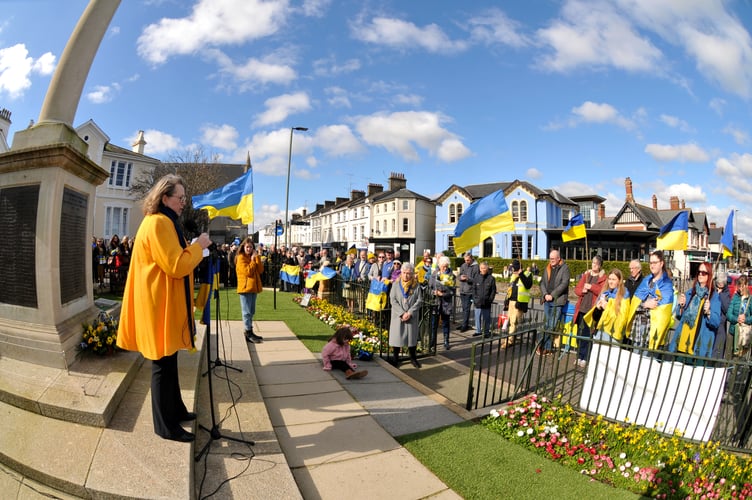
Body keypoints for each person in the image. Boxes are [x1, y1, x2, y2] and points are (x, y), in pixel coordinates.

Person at [116, 174, 212, 442]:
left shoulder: (163, 222)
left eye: (184, 198)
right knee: (161, 365)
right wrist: (199, 247)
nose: (183, 203)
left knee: (169, 362)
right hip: (157, 305)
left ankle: (177, 410)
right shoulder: (159, 223)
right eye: (180, 198)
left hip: (162, 302)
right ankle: (164, 425)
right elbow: (176, 265)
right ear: (164, 198)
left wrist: (192, 248)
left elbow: (173, 259)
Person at [669, 262, 720, 359]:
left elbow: (716, 322)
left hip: (697, 346)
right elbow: (680, 316)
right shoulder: (690, 293)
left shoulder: (713, 297)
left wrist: (709, 312)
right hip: (682, 342)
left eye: (704, 272)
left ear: (709, 275)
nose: (700, 274)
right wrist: (681, 306)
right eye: (699, 272)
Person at [631, 250, 675, 352]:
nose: (652, 265)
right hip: (638, 328)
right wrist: (645, 304)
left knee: (649, 363)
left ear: (661, 263)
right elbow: (634, 304)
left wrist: (646, 306)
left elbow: (663, 310)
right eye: (650, 263)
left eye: (654, 263)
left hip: (653, 330)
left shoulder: (666, 285)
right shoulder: (646, 281)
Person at [572, 255, 607, 367]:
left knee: (588, 335)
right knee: (579, 334)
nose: (594, 265)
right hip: (581, 309)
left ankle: (585, 357)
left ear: (600, 265)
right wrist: (582, 290)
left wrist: (591, 286)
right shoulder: (586, 275)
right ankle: (579, 355)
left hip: (591, 311)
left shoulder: (603, 278)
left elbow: (602, 291)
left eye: (596, 263)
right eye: (593, 262)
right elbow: (577, 290)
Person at [389, 262, 423, 368]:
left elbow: (419, 300)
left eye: (408, 273)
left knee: (411, 338)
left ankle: (413, 358)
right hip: (398, 315)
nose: (406, 275)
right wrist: (402, 313)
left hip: (411, 316)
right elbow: (393, 300)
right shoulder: (396, 284)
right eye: (404, 273)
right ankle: (395, 358)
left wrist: (410, 312)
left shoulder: (416, 285)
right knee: (397, 337)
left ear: (412, 274)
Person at [538, 249, 571, 355]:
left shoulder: (565, 268)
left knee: (552, 325)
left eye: (553, 258)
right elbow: (542, 282)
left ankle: (540, 343)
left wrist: (552, 295)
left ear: (558, 258)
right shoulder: (547, 268)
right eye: (550, 258)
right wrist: (545, 294)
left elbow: (564, 283)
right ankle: (546, 347)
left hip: (557, 300)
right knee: (547, 324)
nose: (551, 260)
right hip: (547, 300)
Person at [591, 268, 632, 344]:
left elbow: (622, 319)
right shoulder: (605, 294)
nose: (610, 281)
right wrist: (598, 309)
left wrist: (607, 308)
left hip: (613, 335)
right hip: (600, 331)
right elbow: (596, 318)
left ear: (619, 281)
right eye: (609, 279)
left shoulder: (624, 295)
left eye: (613, 279)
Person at [236, 237, 264, 343]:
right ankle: (248, 332)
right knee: (246, 312)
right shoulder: (241, 258)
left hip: (253, 288)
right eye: (247, 247)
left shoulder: (253, 256)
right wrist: (252, 260)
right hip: (245, 288)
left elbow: (260, 270)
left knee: (251, 311)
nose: (249, 249)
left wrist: (257, 258)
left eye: (251, 247)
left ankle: (250, 330)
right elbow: (248, 272)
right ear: (243, 247)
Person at [502, 259, 533, 348]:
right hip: (511, 301)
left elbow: (528, 285)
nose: (513, 271)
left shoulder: (527, 274)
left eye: (514, 269)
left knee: (514, 322)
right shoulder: (513, 276)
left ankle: (510, 340)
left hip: (519, 302)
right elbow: (510, 290)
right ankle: (510, 338)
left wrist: (521, 274)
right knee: (510, 321)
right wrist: (506, 301)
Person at [429, 255, 456, 350]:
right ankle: (432, 341)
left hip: (446, 303)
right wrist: (434, 292)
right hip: (435, 302)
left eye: (446, 266)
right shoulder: (434, 274)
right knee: (433, 324)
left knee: (445, 323)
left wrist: (443, 294)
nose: (444, 268)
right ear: (439, 265)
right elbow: (429, 288)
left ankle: (446, 341)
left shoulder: (451, 276)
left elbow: (453, 291)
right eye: (442, 266)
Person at [727, 275, 752, 357]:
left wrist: (746, 319)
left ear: (746, 285)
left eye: (742, 286)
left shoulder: (750, 299)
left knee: (738, 358)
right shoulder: (735, 297)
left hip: (743, 333)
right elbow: (728, 314)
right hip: (732, 332)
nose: (740, 288)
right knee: (728, 356)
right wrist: (736, 319)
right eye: (739, 286)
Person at [471, 261, 497, 338]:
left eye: (485, 268)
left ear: (487, 268)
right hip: (478, 302)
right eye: (482, 268)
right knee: (477, 317)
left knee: (486, 318)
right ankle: (478, 331)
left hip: (487, 302)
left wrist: (490, 300)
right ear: (479, 269)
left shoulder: (491, 278)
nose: (483, 269)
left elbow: (493, 290)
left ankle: (486, 332)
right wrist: (475, 299)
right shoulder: (476, 277)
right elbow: (474, 289)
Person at [458, 252, 478, 332]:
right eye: (465, 260)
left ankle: (465, 325)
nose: (466, 262)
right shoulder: (463, 265)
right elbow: (458, 275)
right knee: (463, 309)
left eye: (468, 260)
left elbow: (476, 279)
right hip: (462, 290)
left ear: (471, 259)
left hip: (469, 291)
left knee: (466, 309)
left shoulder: (476, 267)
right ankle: (463, 323)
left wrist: (467, 279)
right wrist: (460, 277)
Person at [714, 271, 731, 359]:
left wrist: (720, 295)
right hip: (711, 321)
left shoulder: (726, 293)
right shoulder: (713, 290)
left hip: (721, 324)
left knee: (718, 349)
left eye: (721, 283)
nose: (719, 284)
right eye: (718, 283)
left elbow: (727, 308)